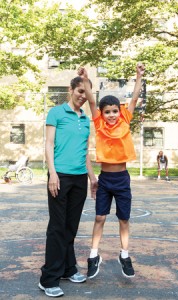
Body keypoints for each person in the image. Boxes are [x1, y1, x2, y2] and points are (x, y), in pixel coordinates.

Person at [78, 63, 145, 279]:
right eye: (107, 112)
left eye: (115, 111)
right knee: (99, 218)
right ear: (102, 114)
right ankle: (93, 255)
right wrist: (86, 80)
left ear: (120, 111)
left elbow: (134, 98)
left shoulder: (125, 119)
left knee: (124, 220)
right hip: (105, 179)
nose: (111, 115)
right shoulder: (99, 124)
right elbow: (90, 100)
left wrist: (138, 76)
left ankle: (124, 255)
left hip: (122, 179)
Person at [38, 76, 98, 298]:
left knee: (70, 227)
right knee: (57, 227)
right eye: (80, 91)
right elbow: (49, 144)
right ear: (71, 89)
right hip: (60, 175)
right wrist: (52, 174)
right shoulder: (56, 113)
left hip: (80, 178)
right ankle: (48, 278)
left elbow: (85, 153)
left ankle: (68, 269)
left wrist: (93, 178)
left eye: (87, 93)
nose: (83, 96)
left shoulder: (85, 119)